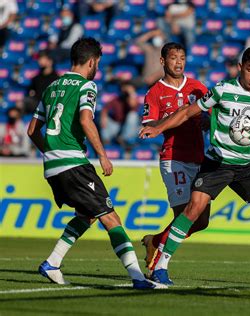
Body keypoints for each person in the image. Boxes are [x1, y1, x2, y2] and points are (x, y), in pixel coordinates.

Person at [140, 46, 250, 287]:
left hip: (245, 165)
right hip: (217, 163)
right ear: (241, 67)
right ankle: (160, 267)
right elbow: (189, 111)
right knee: (193, 212)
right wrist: (159, 128)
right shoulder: (222, 90)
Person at [27, 37, 165, 290]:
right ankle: (137, 278)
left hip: (53, 166)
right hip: (74, 164)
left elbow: (32, 130)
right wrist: (102, 154)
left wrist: (51, 152)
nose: (98, 68)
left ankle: (52, 263)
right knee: (111, 218)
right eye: (98, 63)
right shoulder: (86, 86)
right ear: (92, 62)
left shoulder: (51, 87)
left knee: (88, 214)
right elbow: (86, 120)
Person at [139, 42, 210, 276]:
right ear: (162, 61)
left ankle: (155, 241)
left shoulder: (197, 87)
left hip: (199, 159)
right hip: (174, 158)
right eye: (173, 58)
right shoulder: (155, 92)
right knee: (183, 216)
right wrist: (172, 119)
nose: (178, 62)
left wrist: (208, 121)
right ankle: (160, 263)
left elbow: (210, 115)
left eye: (182, 58)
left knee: (201, 221)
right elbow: (149, 126)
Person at [100, 81, 141, 145]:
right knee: (106, 119)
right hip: (117, 125)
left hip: (130, 127)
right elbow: (105, 109)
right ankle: (106, 142)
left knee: (132, 115)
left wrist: (131, 92)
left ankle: (125, 140)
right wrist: (103, 118)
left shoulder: (133, 99)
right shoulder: (117, 99)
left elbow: (132, 105)